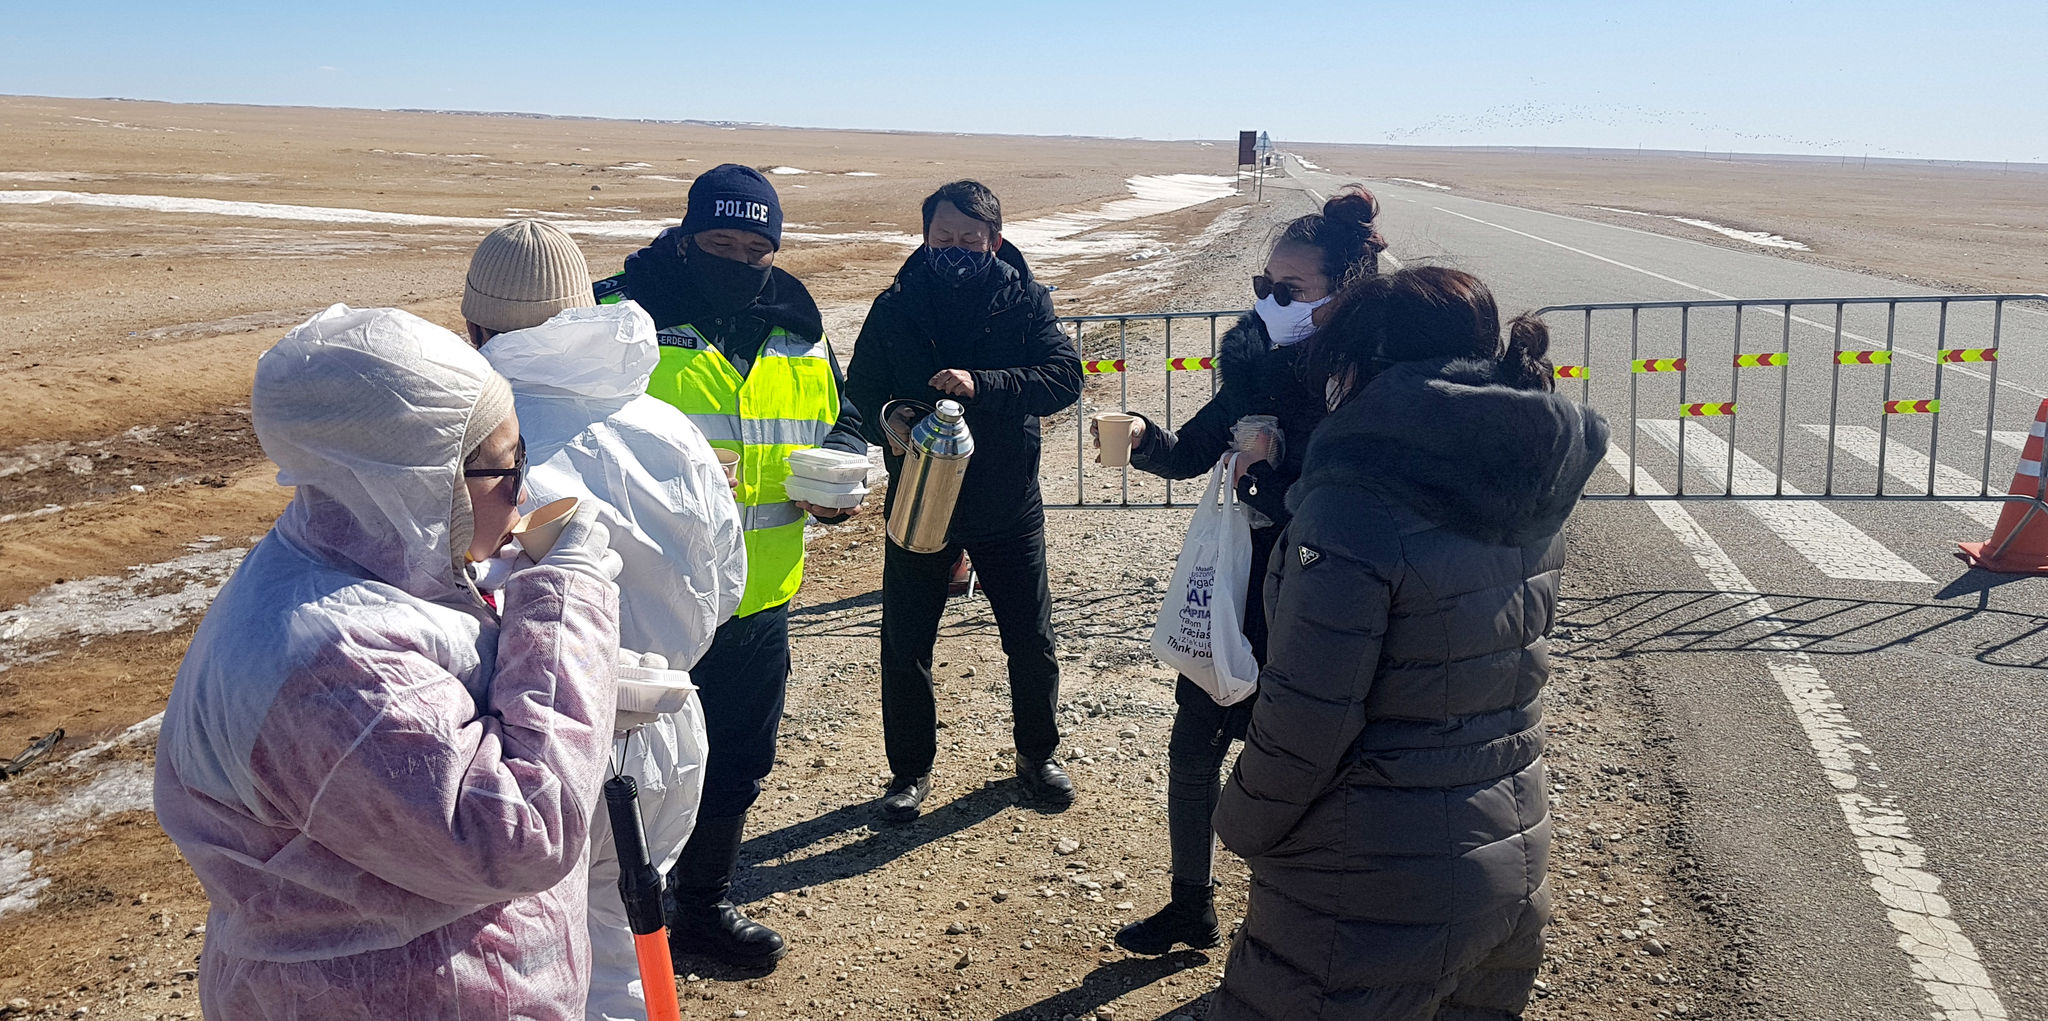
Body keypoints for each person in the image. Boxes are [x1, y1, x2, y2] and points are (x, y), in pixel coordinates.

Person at [153, 304, 625, 1020]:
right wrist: (566, 603)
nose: (524, 491)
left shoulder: (358, 561)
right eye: (506, 468)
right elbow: (522, 833)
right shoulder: (337, 665)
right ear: (413, 481)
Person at [1209, 267, 1609, 1020]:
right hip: (1512, 844)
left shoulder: (1353, 506)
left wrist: (1240, 820)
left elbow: (1308, 713)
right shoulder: (1520, 479)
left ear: (1362, 368)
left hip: (1370, 878)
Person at [463, 219, 746, 1020]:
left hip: (531, 746)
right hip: (664, 735)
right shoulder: (668, 427)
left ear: (474, 327)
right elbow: (727, 586)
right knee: (626, 955)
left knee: (525, 969)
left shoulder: (478, 447)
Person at [593, 164, 865, 968]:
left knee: (737, 760)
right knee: (624, 770)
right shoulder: (620, 314)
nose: (740, 261)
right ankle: (608, 932)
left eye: (757, 249)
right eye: (720, 242)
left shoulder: (797, 323)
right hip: (643, 600)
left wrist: (840, 473)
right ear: (685, 239)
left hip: (758, 594)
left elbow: (842, 416)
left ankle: (702, 909)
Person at [1104, 189, 1386, 955]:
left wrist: (1270, 470)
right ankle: (1189, 903)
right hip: (1243, 586)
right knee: (1193, 742)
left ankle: (1294, 929)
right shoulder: (1255, 365)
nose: (1270, 301)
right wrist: (1143, 436)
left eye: (1290, 288)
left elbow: (1356, 500)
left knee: (1300, 765)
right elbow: (1194, 450)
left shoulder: (1371, 381)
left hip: (1320, 596)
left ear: (1345, 292)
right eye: (1265, 284)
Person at [845, 180, 1084, 822]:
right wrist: (889, 414)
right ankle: (909, 772)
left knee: (1030, 639)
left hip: (1006, 500)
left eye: (969, 241)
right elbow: (859, 385)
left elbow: (1064, 378)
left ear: (994, 241)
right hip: (921, 500)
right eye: (942, 238)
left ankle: (1038, 755)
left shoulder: (1024, 300)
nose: (954, 250)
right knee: (905, 643)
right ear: (925, 236)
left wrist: (984, 384)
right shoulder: (896, 304)